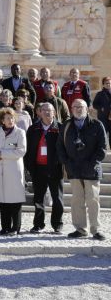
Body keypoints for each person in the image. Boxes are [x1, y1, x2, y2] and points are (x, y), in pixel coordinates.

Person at [57, 99, 107, 240]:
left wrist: (92, 163)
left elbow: (102, 148)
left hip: (92, 169)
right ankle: (80, 229)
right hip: (73, 169)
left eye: (81, 107)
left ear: (87, 109)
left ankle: (95, 230)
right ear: (71, 109)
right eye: (75, 107)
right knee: (77, 200)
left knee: (93, 200)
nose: (78, 109)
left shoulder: (97, 125)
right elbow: (60, 146)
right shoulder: (67, 125)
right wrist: (66, 163)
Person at [25, 103, 64, 234]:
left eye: (49, 110)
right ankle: (38, 224)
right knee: (38, 198)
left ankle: (57, 224)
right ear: (39, 112)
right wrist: (29, 166)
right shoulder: (33, 129)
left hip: (55, 168)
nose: (47, 112)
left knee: (57, 198)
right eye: (44, 110)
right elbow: (28, 149)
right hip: (38, 168)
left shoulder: (60, 128)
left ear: (54, 112)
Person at [0, 107, 27, 235]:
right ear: (2, 120)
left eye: (12, 118)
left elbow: (21, 150)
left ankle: (15, 228)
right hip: (0, 169)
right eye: (7, 118)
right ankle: (5, 227)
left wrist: (2, 153)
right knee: (2, 199)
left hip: (14, 170)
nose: (10, 120)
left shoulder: (20, 133)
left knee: (15, 200)